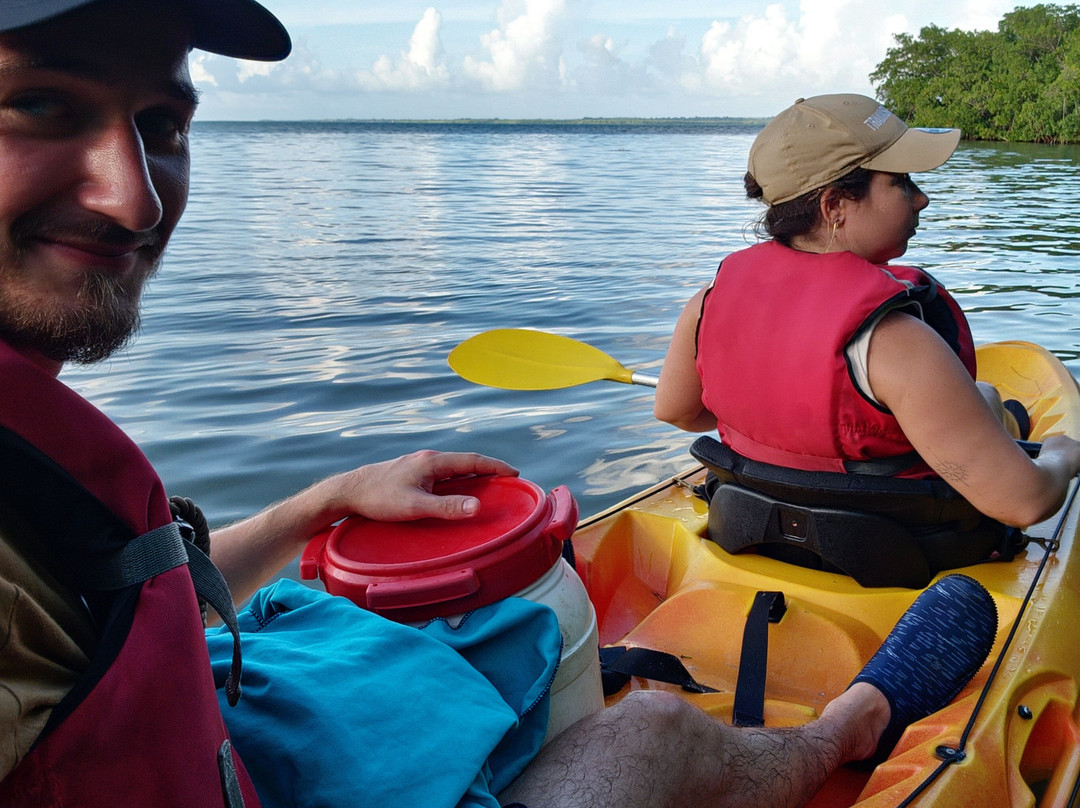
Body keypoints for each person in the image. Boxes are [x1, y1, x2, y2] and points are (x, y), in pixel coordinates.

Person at [0, 7, 997, 807]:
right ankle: (847, 727)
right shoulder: (896, 330)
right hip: (893, 536)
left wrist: (328, 498)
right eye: (37, 104)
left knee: (465, 614)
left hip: (231, 726)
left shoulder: (721, 298)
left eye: (165, 126)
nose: (134, 199)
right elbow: (1016, 489)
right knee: (652, 731)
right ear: (837, 202)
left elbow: (125, 602)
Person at [654, 93, 1080, 530]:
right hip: (904, 555)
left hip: (753, 530)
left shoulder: (708, 303)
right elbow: (1024, 503)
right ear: (835, 205)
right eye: (902, 182)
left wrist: (776, 419)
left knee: (986, 396)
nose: (921, 200)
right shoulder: (896, 341)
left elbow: (679, 411)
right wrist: (1060, 459)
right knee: (987, 397)